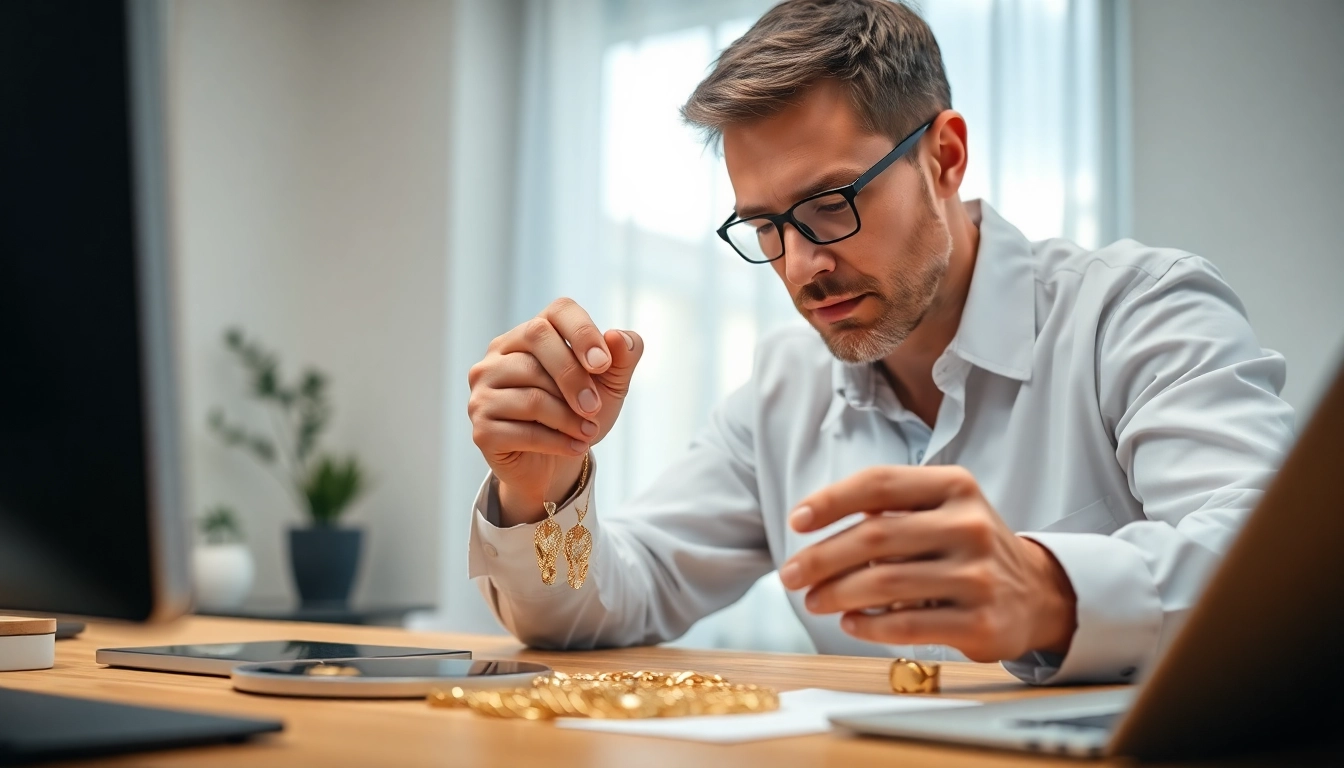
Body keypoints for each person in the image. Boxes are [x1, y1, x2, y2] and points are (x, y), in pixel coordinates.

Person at [464, 0, 1295, 684]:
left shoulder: (1136, 311)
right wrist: (544, 490)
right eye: (765, 226)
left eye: (832, 203)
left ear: (946, 157)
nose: (802, 266)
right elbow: (602, 606)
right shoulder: (782, 390)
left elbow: (1278, 570)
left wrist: (1049, 592)